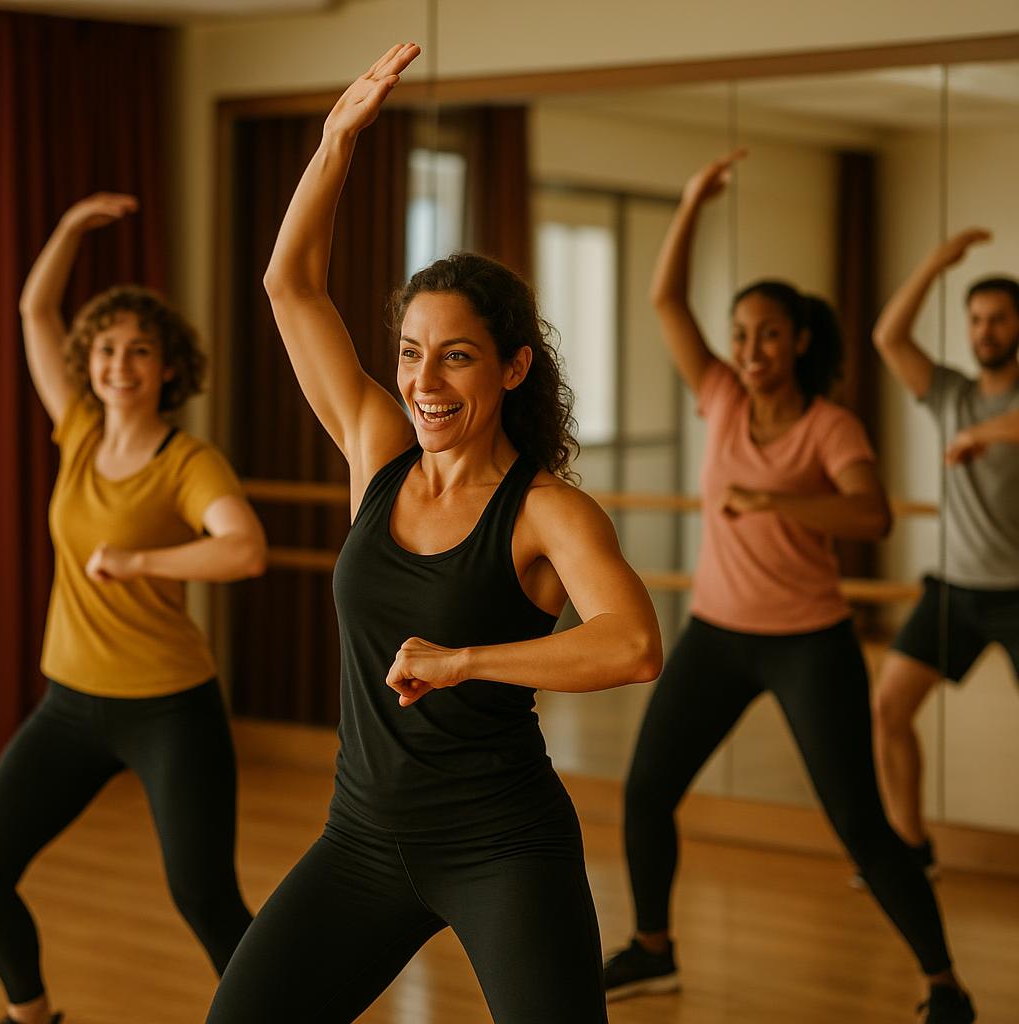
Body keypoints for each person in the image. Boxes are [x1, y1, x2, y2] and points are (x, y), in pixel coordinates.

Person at [204, 43, 662, 1024]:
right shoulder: (376, 451)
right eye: (411, 354)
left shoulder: (547, 510)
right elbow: (290, 285)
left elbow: (631, 645)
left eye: (455, 357)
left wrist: (464, 661)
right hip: (360, 835)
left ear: (510, 369)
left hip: (501, 841)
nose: (423, 382)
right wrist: (335, 140)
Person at [603, 151, 975, 1024]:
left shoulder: (829, 423)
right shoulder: (722, 399)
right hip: (717, 635)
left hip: (809, 643)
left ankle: (944, 983)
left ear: (799, 337)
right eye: (739, 336)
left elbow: (873, 517)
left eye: (767, 333)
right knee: (646, 789)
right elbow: (665, 302)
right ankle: (652, 949)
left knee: (857, 822)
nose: (749, 350)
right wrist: (691, 198)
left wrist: (775, 498)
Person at [0, 194, 266, 1024]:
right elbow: (34, 308)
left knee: (204, 899)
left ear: (168, 368)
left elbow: (243, 547)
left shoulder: (188, 461)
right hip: (70, 705)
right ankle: (34, 1016)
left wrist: (141, 560)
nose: (119, 364)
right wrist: (72, 229)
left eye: (139, 351)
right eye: (107, 350)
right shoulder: (76, 432)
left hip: (168, 708)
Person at [871, 229, 1019, 877]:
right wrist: (933, 262)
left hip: (1017, 593)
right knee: (888, 707)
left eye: (999, 319)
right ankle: (908, 849)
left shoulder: (994, 408)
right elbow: (888, 338)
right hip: (953, 591)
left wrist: (979, 435)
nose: (986, 330)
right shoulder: (953, 393)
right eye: (977, 319)